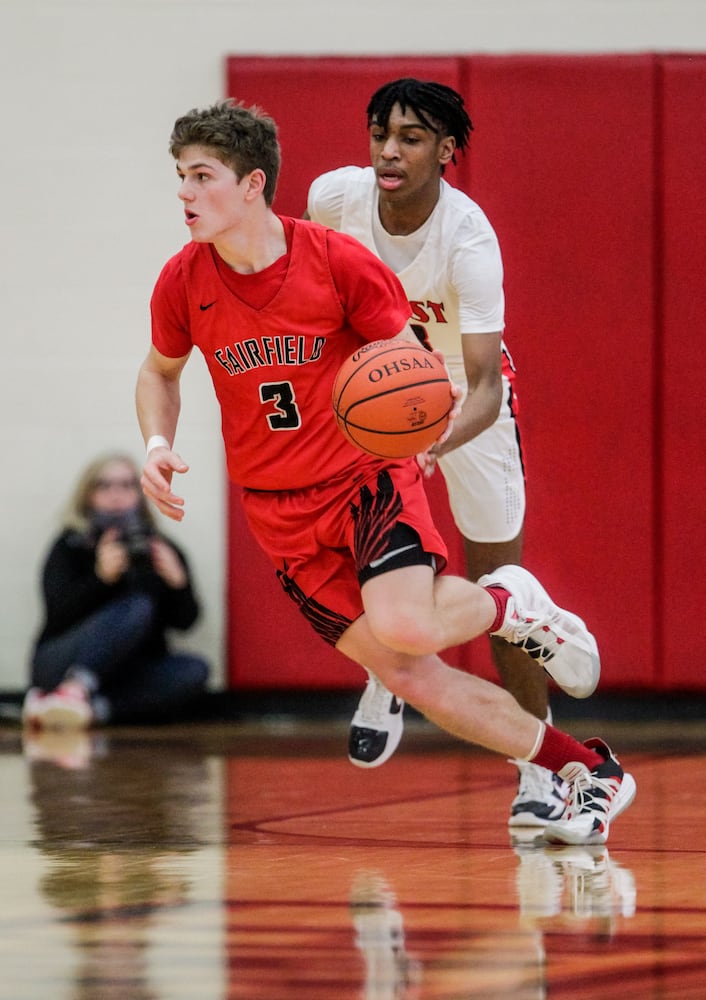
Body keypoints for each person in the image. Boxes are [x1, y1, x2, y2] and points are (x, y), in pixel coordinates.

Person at [135, 98, 635, 846]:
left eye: (200, 176)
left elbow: (409, 366)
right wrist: (155, 444)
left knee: (405, 622)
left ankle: (506, 602)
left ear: (251, 185)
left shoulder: (337, 261)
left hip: (362, 481)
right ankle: (587, 769)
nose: (182, 191)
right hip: (278, 512)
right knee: (411, 674)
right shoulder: (183, 281)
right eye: (179, 175)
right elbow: (160, 373)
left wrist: (406, 431)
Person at [306, 77, 562, 828]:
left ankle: (540, 767)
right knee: (355, 548)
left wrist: (432, 441)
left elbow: (485, 384)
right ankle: (389, 678)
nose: (389, 149)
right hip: (373, 383)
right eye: (381, 132)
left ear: (447, 151)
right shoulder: (334, 199)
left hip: (459, 398)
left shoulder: (469, 239)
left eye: (411, 137)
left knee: (502, 583)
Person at [22, 452, 210, 729]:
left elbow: (186, 623)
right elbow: (57, 615)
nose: (116, 495)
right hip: (61, 662)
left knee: (195, 671)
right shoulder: (70, 545)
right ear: (87, 494)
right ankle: (73, 689)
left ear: (142, 492)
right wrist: (101, 580)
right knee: (137, 606)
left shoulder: (160, 548)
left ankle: (86, 710)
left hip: (127, 671)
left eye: (126, 485)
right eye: (104, 486)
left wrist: (178, 584)